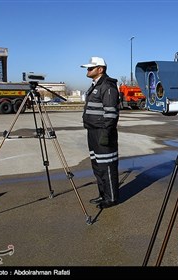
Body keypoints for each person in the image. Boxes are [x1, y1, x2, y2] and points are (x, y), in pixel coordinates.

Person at [81, 57, 120, 209]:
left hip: (103, 132)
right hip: (92, 131)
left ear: (100, 69)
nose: (88, 70)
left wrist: (106, 133)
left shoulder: (108, 86)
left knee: (107, 166)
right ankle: (103, 194)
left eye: (91, 68)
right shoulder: (95, 85)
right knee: (97, 165)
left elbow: (111, 113)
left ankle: (111, 198)